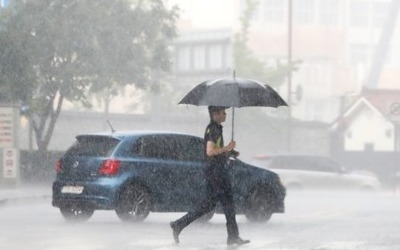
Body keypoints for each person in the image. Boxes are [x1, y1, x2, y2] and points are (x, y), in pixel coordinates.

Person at [170, 106, 250, 246]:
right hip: (216, 173)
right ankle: (232, 237)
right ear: (215, 114)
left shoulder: (216, 128)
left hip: (217, 171)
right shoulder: (213, 129)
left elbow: (215, 152)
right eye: (223, 112)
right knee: (224, 204)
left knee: (213, 205)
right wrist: (227, 148)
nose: (225, 114)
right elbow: (210, 151)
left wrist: (229, 153)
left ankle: (179, 224)